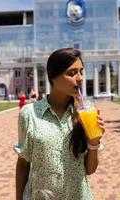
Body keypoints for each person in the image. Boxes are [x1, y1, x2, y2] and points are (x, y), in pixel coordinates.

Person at [14, 48, 105, 200]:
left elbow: (90, 169)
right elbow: (23, 164)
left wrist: (93, 142)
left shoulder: (86, 113)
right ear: (53, 77)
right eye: (72, 73)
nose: (80, 78)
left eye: (81, 71)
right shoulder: (30, 113)